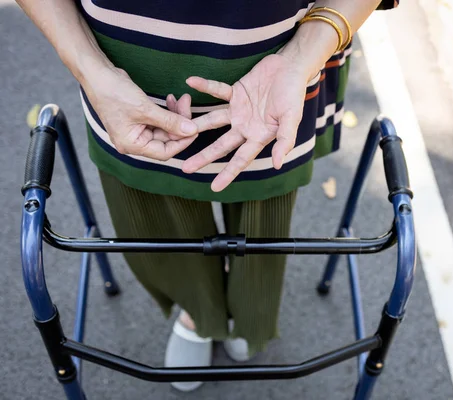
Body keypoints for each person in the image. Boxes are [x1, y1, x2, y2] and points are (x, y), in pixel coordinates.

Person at [17, 0, 398, 392]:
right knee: (155, 216)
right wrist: (92, 72)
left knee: (265, 215)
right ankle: (198, 313)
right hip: (123, 73)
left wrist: (304, 54)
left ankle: (251, 315)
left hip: (281, 62)